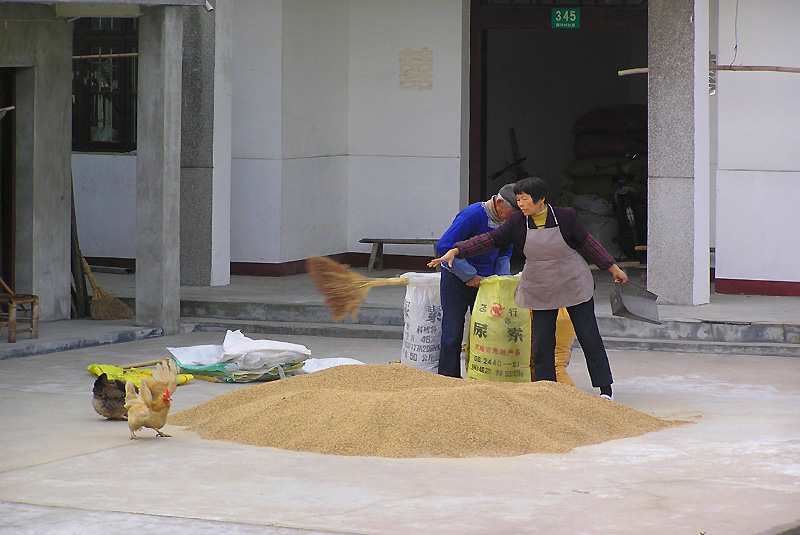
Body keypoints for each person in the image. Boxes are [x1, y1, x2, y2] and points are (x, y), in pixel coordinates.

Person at [429, 176, 627, 399]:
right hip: (540, 285)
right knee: (542, 341)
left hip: (572, 281)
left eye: (524, 200)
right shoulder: (516, 223)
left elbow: (587, 242)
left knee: (589, 335)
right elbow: (490, 240)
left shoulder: (565, 216)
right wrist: (457, 251)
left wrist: (612, 267)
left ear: (540, 199)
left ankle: (605, 390)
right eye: (519, 200)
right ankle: (545, 389)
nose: (520, 205)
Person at [435, 184, 517, 378]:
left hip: (486, 283)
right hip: (457, 280)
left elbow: (505, 251)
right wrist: (469, 275)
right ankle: (448, 378)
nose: (515, 219)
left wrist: (501, 279)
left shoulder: (508, 223)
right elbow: (444, 246)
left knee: (486, 333)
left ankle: (479, 377)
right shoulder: (472, 215)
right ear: (498, 203)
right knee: (452, 333)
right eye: (512, 213)